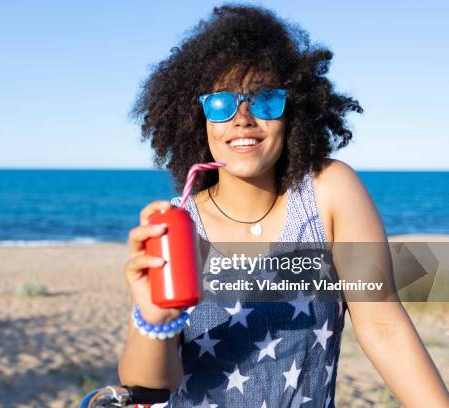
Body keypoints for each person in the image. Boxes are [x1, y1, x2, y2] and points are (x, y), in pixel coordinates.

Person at [117, 5, 448, 408]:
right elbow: (152, 387)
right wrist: (154, 321)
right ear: (198, 118)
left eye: (265, 100)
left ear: (293, 110)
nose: (242, 118)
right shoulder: (175, 226)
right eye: (220, 103)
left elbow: (382, 325)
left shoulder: (328, 192)